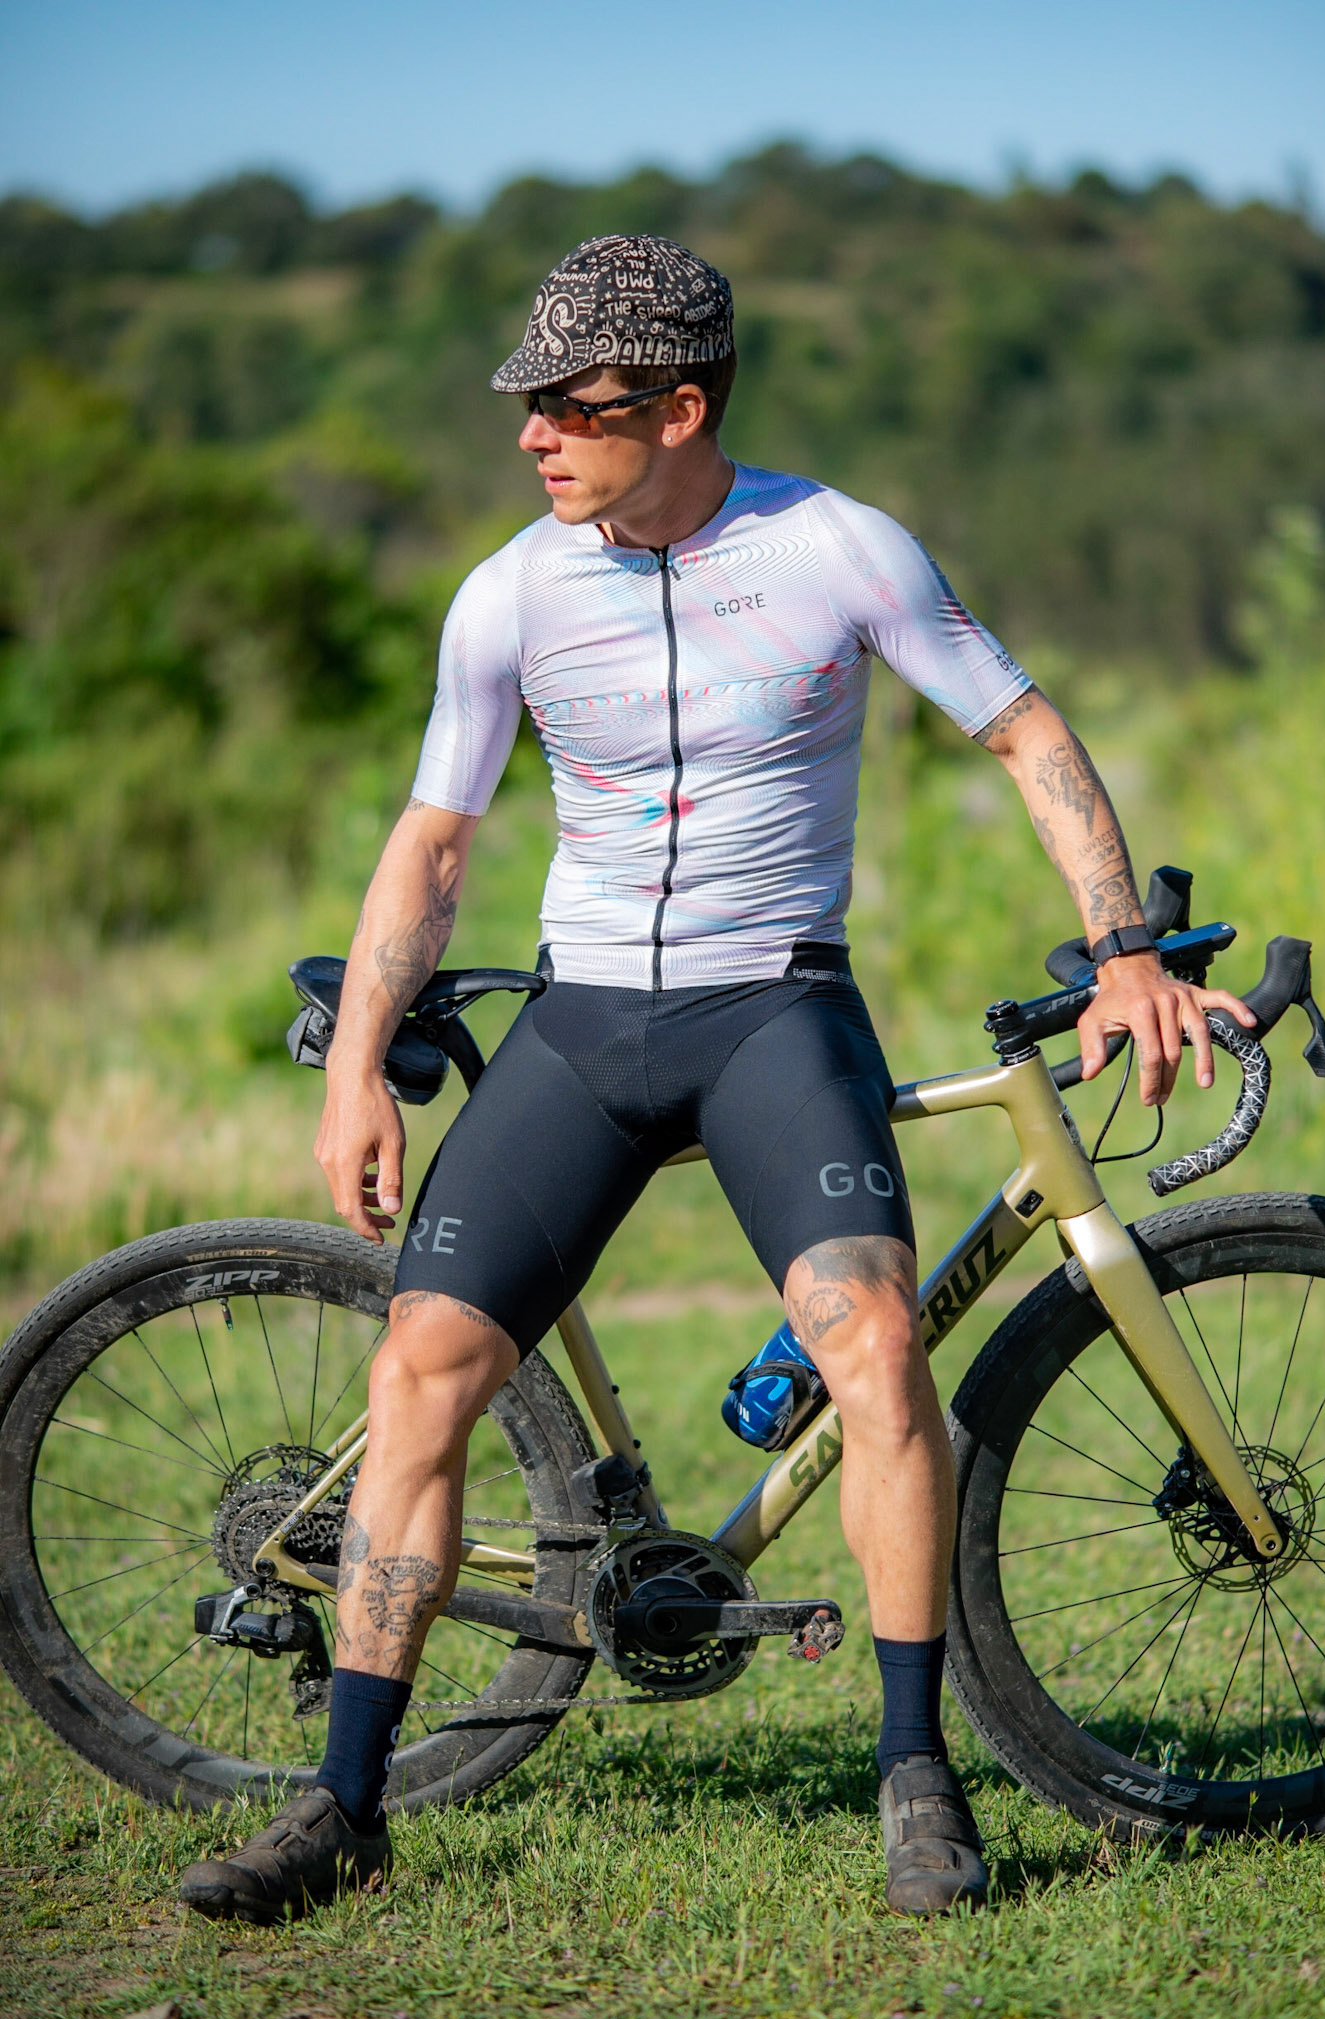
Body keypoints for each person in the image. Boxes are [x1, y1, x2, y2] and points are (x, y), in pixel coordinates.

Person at [180, 235, 1254, 1925]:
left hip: (774, 1009)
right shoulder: (510, 592)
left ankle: (915, 1773)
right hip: (584, 1022)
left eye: (571, 405)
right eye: (527, 403)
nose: (533, 435)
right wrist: (356, 1073)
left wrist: (1125, 948)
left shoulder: (836, 549)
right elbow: (435, 842)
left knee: (873, 1344)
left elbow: (1027, 733)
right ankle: (344, 1804)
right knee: (422, 1372)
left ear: (680, 409)